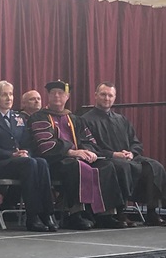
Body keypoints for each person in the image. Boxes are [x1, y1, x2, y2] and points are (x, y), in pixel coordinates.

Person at [28, 80, 125, 229]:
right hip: (54, 162)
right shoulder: (39, 117)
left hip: (78, 159)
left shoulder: (75, 119)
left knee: (107, 166)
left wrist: (88, 152)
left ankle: (106, 214)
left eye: (61, 93)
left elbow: (89, 141)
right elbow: (45, 144)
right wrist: (72, 152)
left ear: (67, 97)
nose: (57, 96)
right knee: (75, 165)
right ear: (48, 95)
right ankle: (74, 214)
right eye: (53, 93)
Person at [82, 82, 166, 226]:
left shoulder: (121, 119)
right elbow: (88, 146)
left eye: (110, 95)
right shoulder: (85, 120)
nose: (106, 98)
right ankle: (120, 212)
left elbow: (136, 143)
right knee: (122, 167)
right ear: (95, 96)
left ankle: (152, 212)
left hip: (128, 158)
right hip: (105, 159)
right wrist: (114, 154)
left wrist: (131, 153)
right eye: (103, 94)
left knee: (154, 167)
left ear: (115, 98)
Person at [0, 81, 57, 232]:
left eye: (10, 94)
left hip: (21, 161)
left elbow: (28, 143)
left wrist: (26, 152)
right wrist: (12, 154)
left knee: (41, 162)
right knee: (30, 164)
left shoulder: (18, 117)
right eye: (4, 94)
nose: (9, 98)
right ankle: (32, 216)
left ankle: (47, 214)